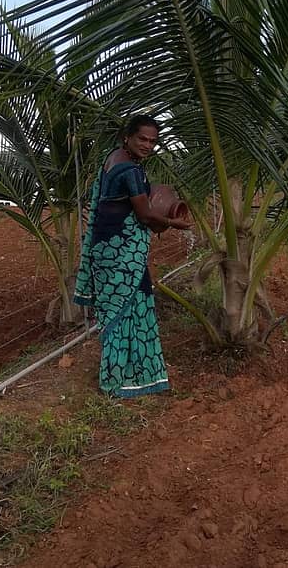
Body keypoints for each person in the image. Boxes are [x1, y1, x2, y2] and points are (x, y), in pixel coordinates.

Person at [73, 115, 190, 397]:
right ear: (127, 137)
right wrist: (176, 224)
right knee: (130, 307)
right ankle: (122, 377)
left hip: (106, 247)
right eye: (142, 139)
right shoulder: (131, 172)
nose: (148, 145)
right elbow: (145, 214)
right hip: (123, 252)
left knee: (117, 307)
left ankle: (121, 372)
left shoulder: (111, 158)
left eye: (153, 141)